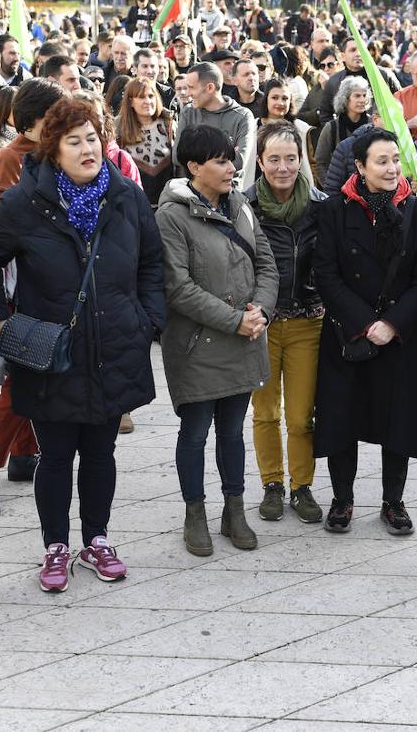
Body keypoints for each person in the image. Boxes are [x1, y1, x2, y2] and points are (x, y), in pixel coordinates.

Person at [0, 98, 165, 592]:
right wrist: (0, 321)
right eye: (73, 140)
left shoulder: (126, 196)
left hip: (114, 345)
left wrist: (147, 319)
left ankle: (97, 539)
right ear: (53, 150)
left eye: (92, 138)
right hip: (50, 352)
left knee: (101, 454)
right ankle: (55, 545)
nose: (87, 149)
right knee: (56, 457)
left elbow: (151, 262)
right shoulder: (26, 201)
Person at [313, 128, 417, 535]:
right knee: (343, 419)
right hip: (348, 333)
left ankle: (393, 501)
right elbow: (326, 273)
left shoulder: (416, 209)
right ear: (359, 166)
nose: (392, 167)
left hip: (400, 334)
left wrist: (392, 323)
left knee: (399, 420)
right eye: (382, 161)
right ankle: (342, 500)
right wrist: (364, 323)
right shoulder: (334, 210)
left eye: (396, 159)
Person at [156, 125, 278, 557]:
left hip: (244, 336)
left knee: (232, 431)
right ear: (193, 167)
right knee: (195, 432)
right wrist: (235, 320)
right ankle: (195, 514)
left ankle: (235, 509)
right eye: (221, 161)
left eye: (232, 159)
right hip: (197, 344)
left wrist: (260, 310)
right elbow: (178, 288)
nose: (232, 168)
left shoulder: (241, 204)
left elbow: (266, 262)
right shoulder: (171, 215)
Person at [0, 79, 65, 513]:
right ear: (35, 119)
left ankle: (24, 455)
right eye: (54, 116)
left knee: (36, 371)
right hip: (16, 287)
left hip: (50, 283)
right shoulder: (11, 158)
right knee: (22, 379)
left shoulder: (53, 154)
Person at [243, 121, 327, 524]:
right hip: (262, 324)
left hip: (308, 322)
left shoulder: (321, 206)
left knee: (300, 416)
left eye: (290, 159)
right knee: (264, 413)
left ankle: (302, 486)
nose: (282, 167)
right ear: (260, 161)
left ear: (302, 161)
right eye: (273, 159)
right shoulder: (244, 207)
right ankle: (272, 485)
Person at [174, 62, 255, 188]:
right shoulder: (188, 113)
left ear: (210, 88)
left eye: (192, 88)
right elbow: (177, 157)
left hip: (228, 195)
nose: (187, 93)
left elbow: (239, 161)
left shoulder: (242, 116)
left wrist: (195, 153)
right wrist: (225, 156)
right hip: (192, 195)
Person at [116, 76, 176, 207]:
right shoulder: (119, 127)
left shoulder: (169, 124)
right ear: (131, 101)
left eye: (151, 96)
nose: (148, 101)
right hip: (132, 205)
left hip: (167, 205)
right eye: (141, 97)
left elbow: (179, 165)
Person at [315, 76, 372, 187]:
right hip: (339, 191)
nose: (362, 100)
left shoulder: (372, 125)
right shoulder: (331, 127)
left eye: (364, 95)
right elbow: (320, 162)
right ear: (345, 99)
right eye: (357, 96)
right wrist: (330, 188)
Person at [257, 77, 314, 185]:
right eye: (275, 97)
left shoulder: (301, 128)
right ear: (266, 100)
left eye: (285, 98)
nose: (280, 103)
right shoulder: (254, 127)